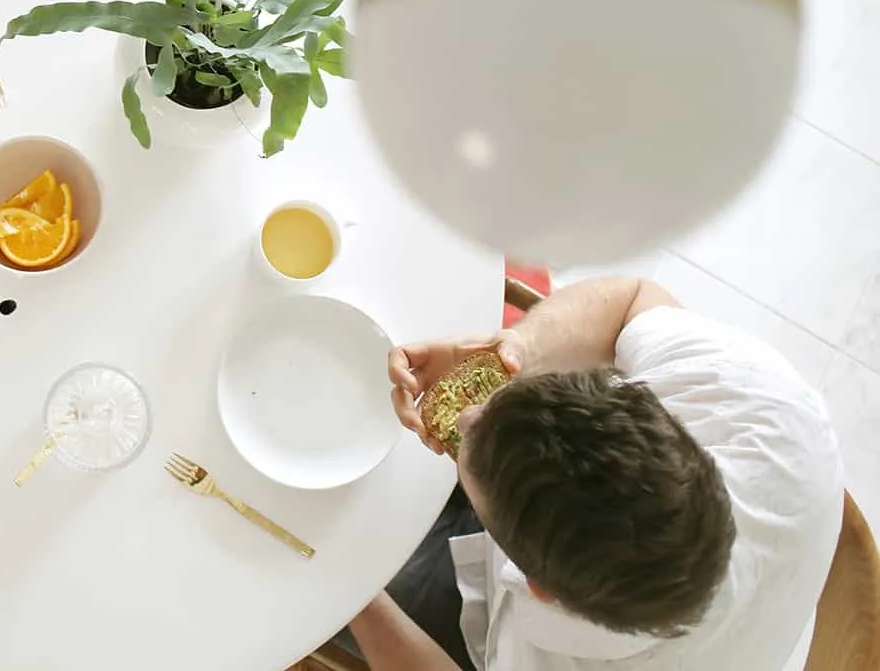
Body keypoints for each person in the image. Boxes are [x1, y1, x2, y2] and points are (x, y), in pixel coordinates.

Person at [347, 276, 843, 671]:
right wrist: (520, 349)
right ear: (652, 404)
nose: (465, 413)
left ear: (535, 586)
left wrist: (355, 596)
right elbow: (634, 300)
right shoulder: (767, 410)